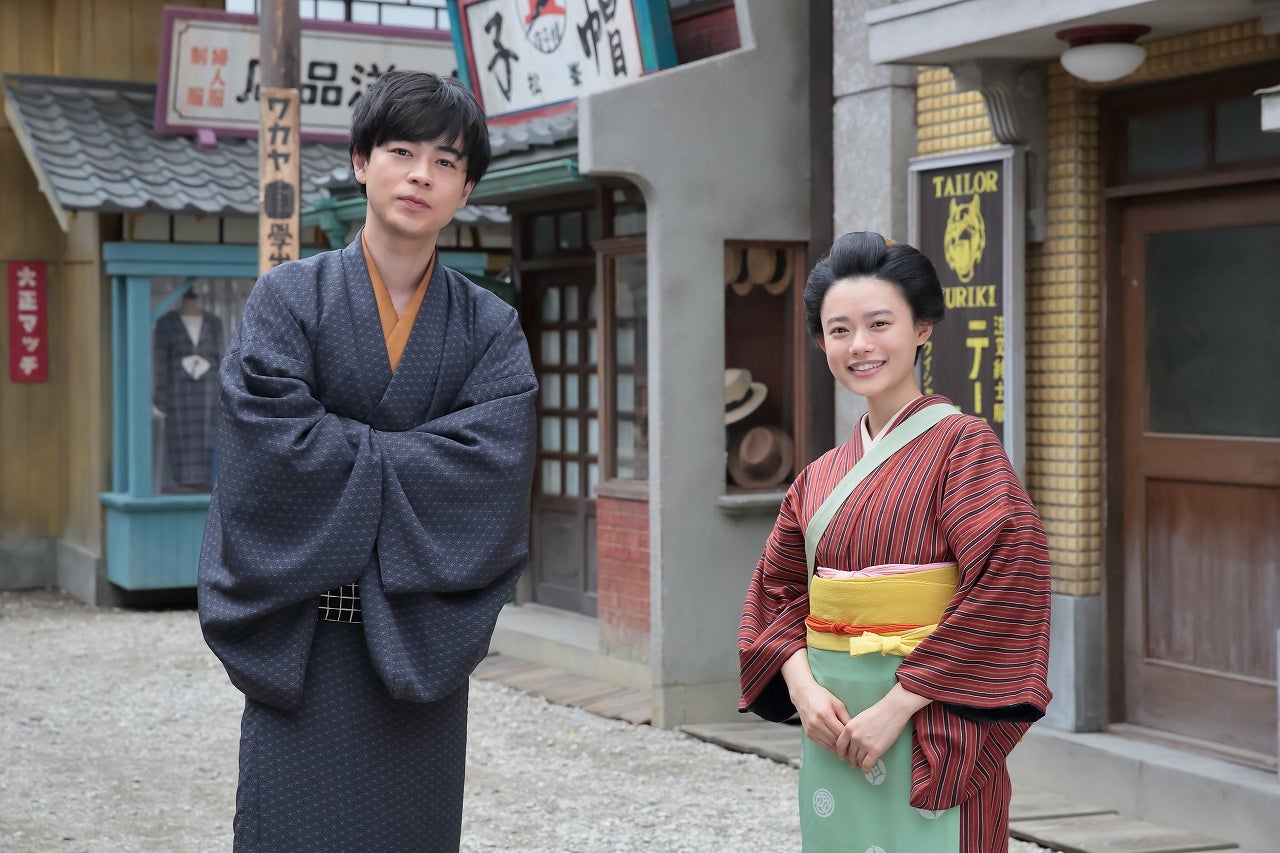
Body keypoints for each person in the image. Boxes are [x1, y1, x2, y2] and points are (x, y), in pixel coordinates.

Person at [198, 71, 537, 851]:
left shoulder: (490, 327)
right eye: (401, 151)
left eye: (446, 162)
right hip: (303, 638)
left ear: (466, 190)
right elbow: (271, 454)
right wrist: (417, 459)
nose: (421, 175)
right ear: (360, 161)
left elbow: (489, 475)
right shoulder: (288, 299)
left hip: (417, 642)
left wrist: (343, 449)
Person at [738, 232, 1051, 852]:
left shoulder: (964, 447)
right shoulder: (818, 476)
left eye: (879, 323)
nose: (860, 345)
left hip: (932, 719)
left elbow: (1010, 578)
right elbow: (777, 593)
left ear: (921, 328)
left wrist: (898, 705)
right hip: (832, 721)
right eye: (839, 330)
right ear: (822, 342)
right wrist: (803, 690)